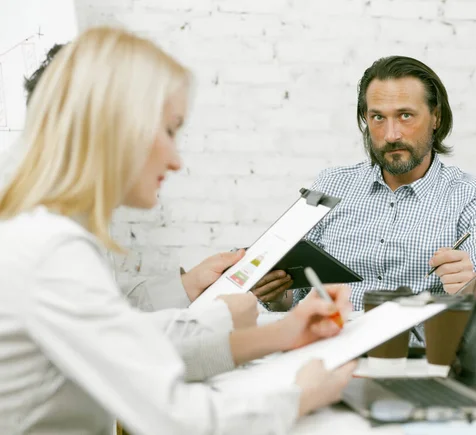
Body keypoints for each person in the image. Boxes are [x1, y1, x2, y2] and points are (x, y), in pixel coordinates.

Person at [0, 26, 356, 434]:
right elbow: (175, 419)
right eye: (169, 131)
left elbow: (130, 344)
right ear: (114, 126)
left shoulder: (41, 227)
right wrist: (303, 395)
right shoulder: (50, 249)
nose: (176, 160)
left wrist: (282, 333)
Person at [253, 55, 476, 312]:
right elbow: (295, 295)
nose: (391, 135)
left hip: (415, 349)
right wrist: (275, 293)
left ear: (436, 118)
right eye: (378, 118)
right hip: (333, 343)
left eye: (406, 116)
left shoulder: (473, 196)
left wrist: (474, 285)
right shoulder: (331, 185)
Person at [24, 42, 247, 316]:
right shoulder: (49, 242)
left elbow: (107, 314)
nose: (176, 161)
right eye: (166, 131)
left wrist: (189, 285)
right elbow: (113, 345)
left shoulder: (61, 220)